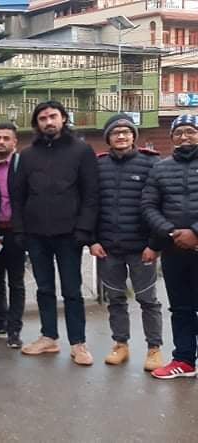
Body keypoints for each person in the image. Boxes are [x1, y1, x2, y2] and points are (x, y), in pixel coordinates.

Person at [14, 101, 99, 366]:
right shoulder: (27, 155)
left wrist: (84, 229)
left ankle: (78, 343)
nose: (48, 122)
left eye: (53, 116)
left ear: (63, 118)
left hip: (69, 234)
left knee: (72, 290)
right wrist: (20, 230)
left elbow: (91, 194)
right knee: (44, 288)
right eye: (42, 118)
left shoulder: (81, 151)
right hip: (36, 234)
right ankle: (48, 337)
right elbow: (18, 196)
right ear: (36, 124)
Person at [91, 114, 164, 371]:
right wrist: (92, 240)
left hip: (142, 248)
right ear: (108, 138)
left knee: (148, 299)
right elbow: (91, 205)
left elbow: (160, 205)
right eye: (115, 132)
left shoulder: (151, 163)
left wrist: (154, 244)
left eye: (126, 132)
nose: (121, 136)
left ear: (134, 136)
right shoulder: (98, 166)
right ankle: (120, 344)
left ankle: (154, 348)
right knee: (116, 299)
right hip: (108, 247)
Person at [142, 114, 198, 379]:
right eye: (179, 132)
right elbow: (148, 206)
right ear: (172, 137)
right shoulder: (160, 168)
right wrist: (171, 232)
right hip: (174, 250)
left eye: (190, 131)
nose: (184, 137)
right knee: (181, 307)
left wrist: (195, 233)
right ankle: (184, 360)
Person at [0, 123, 26, 348]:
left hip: (15, 232)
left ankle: (14, 328)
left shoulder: (21, 165)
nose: (1, 141)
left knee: (16, 282)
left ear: (14, 142)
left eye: (6, 138)